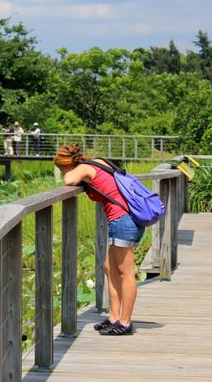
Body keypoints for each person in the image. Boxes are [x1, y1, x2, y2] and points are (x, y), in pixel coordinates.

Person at [53, 143, 144, 336]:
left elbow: (69, 180)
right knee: (109, 268)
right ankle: (114, 317)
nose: (62, 172)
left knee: (126, 273)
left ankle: (125, 322)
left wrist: (69, 172)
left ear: (67, 165)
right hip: (123, 219)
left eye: (61, 168)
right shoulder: (97, 162)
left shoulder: (84, 168)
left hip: (123, 220)